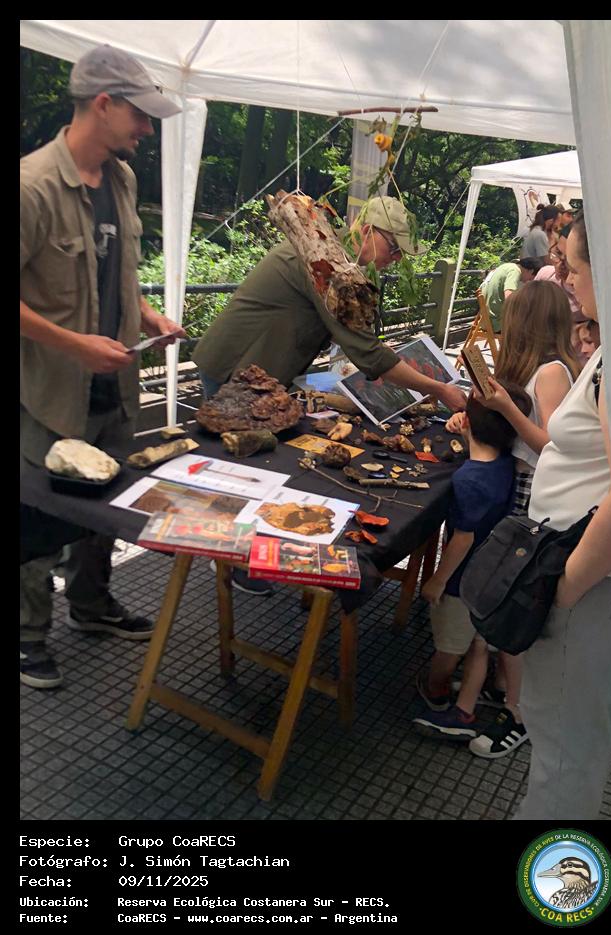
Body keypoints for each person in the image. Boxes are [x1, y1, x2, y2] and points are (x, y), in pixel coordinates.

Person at [20, 45, 187, 689]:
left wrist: (145, 315)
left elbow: (114, 272)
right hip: (48, 394)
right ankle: (27, 636)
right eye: (139, 115)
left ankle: (91, 605)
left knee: (108, 504)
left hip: (113, 388)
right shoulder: (32, 185)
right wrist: (74, 344)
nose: (147, 128)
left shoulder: (121, 179)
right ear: (103, 103)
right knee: (37, 519)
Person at [440, 280, 581, 757]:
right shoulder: (536, 368)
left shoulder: (553, 372)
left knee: (510, 591)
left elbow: (554, 447)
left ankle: (517, 711)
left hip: (535, 493)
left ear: (530, 322)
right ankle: (499, 683)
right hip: (518, 483)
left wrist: (504, 408)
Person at [514, 211, 611, 819]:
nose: (568, 279)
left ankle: (555, 870)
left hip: (591, 584)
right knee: (573, 736)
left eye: (574, 267)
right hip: (592, 582)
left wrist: (566, 587)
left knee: (565, 752)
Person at [193, 196, 467, 415]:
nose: (397, 259)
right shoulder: (327, 263)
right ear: (368, 231)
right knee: (233, 445)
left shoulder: (330, 249)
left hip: (251, 366)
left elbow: (351, 336)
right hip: (234, 366)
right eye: (394, 248)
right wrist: (439, 389)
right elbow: (368, 354)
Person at [411, 383, 532, 739]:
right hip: (492, 575)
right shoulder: (506, 463)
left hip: (461, 582)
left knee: (450, 644)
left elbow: (462, 539)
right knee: (477, 643)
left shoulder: (469, 479)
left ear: (466, 422)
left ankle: (436, 689)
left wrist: (437, 580)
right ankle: (463, 700)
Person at [535, 222, 589, 360]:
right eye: (557, 253)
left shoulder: (590, 293)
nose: (560, 264)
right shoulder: (545, 277)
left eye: (568, 260)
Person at [479, 257, 544, 334]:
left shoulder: (505, 267)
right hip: (497, 323)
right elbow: (509, 296)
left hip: (484, 320)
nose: (527, 282)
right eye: (530, 279)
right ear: (531, 271)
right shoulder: (515, 271)